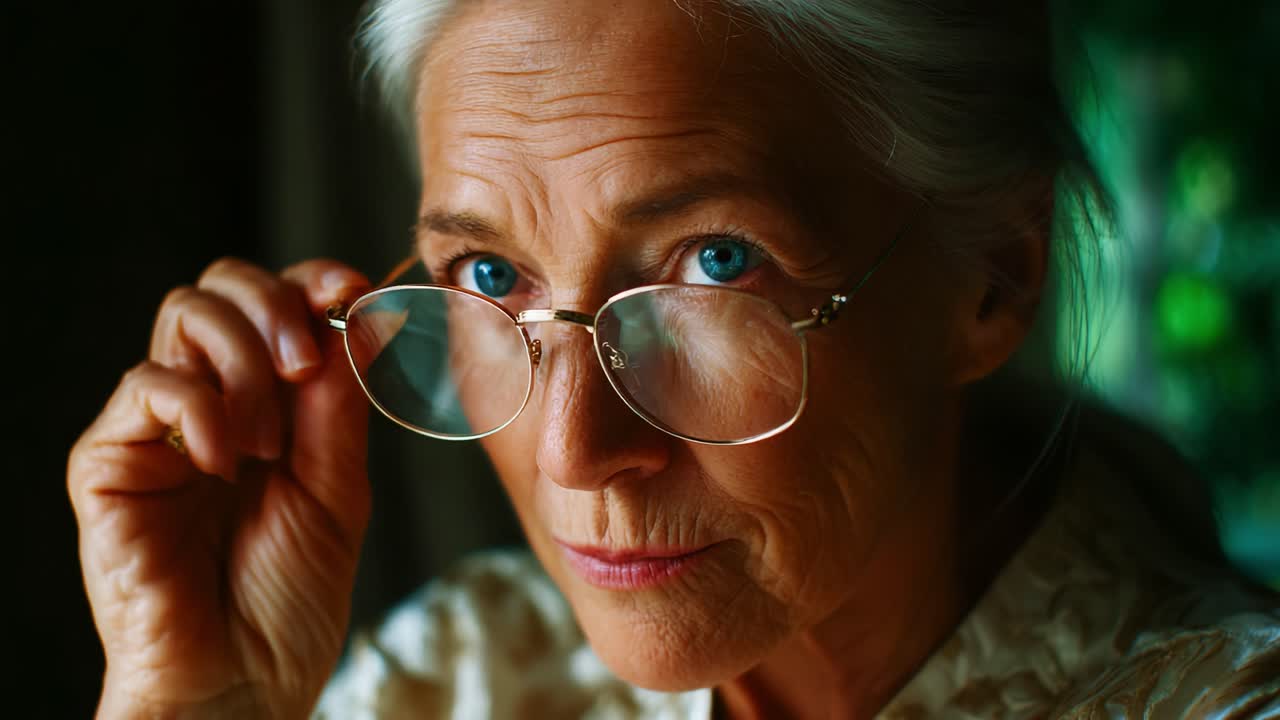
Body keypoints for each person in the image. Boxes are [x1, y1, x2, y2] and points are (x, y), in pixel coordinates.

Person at [68, 0, 1280, 717]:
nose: (573, 453)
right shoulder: (462, 680)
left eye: (711, 265)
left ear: (990, 283)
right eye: (489, 278)